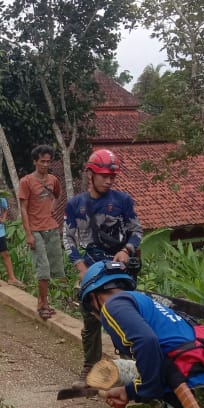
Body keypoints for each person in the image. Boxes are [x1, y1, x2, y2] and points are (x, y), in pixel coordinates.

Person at [78, 260, 204, 408]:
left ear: (92, 297)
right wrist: (129, 392)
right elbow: (163, 353)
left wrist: (146, 390)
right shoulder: (147, 304)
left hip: (192, 388)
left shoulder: (112, 305)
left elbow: (147, 342)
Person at [65, 148, 144, 382]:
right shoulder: (75, 205)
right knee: (91, 322)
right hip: (91, 269)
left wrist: (126, 250)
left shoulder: (123, 201)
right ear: (91, 174)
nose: (109, 181)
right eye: (104, 176)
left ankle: (131, 370)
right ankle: (90, 368)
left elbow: (136, 230)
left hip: (119, 271)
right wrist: (80, 267)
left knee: (126, 319)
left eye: (112, 177)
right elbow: (68, 237)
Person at [18, 145, 64, 320]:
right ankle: (41, 304)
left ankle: (45, 301)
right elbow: (23, 208)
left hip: (51, 228)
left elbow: (58, 195)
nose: (45, 164)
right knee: (43, 269)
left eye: (48, 161)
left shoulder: (53, 180)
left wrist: (52, 208)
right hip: (35, 229)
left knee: (53, 269)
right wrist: (28, 233)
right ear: (35, 161)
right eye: (42, 161)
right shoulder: (26, 182)